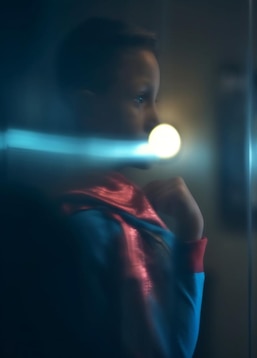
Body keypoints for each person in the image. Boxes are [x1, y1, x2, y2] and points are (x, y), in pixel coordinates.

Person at [54, 17, 207, 358]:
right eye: (140, 99)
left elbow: (175, 344)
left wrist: (190, 234)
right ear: (87, 108)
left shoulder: (127, 214)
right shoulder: (93, 227)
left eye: (154, 99)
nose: (156, 118)